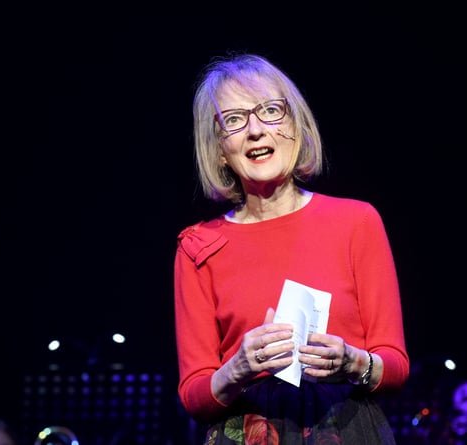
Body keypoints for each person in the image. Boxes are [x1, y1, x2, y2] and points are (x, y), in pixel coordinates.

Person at [173, 53, 410, 444]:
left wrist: (353, 361)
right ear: (219, 149)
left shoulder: (357, 223)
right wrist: (239, 368)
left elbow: (395, 365)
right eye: (233, 120)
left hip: (345, 428)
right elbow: (194, 394)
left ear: (295, 127)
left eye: (270, 111)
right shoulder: (199, 247)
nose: (254, 131)